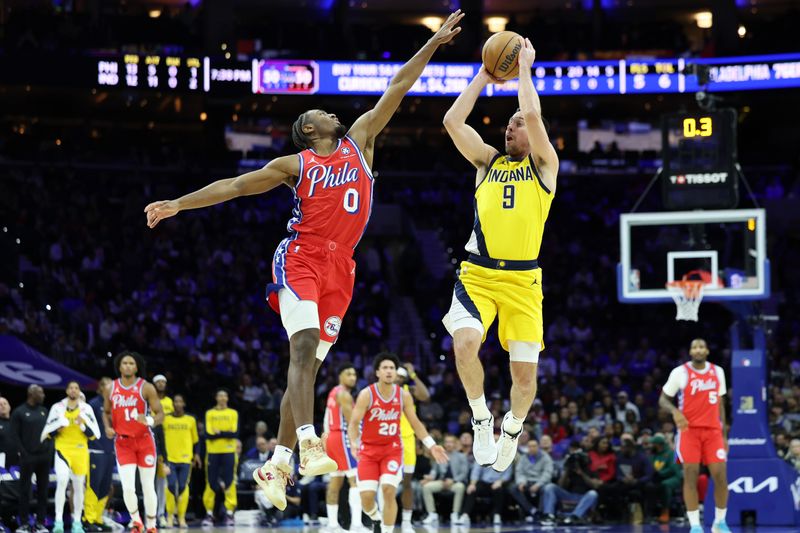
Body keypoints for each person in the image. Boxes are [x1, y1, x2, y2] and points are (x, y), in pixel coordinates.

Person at [143, 9, 464, 512]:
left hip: (343, 267)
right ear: (308, 130)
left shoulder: (360, 142)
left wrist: (434, 43)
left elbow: (398, 86)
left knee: (308, 369)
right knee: (304, 349)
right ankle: (311, 442)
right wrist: (179, 203)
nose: (329, 112)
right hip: (301, 257)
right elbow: (233, 186)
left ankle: (277, 463)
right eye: (319, 112)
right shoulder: (296, 164)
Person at [441, 37, 558, 472]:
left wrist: (524, 68)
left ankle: (512, 427)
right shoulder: (487, 163)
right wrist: (484, 76)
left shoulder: (545, 166)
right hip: (477, 276)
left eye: (517, 124)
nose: (511, 127)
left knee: (524, 380)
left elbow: (531, 112)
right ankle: (481, 417)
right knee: (464, 344)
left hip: (524, 283)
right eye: (507, 124)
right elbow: (453, 121)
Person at [348, 353, 448, 533]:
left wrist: (432, 445)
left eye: (392, 368)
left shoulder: (403, 395)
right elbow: (354, 423)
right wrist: (353, 443)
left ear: (395, 373)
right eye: (385, 368)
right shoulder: (366, 394)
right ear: (377, 372)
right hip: (368, 451)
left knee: (388, 489)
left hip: (392, 450)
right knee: (367, 499)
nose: (389, 371)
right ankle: (376, 518)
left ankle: (387, 530)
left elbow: (416, 423)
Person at [659, 338, 731, 533]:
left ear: (707, 351)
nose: (698, 350)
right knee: (690, 476)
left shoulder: (718, 372)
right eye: (694, 347)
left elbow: (720, 404)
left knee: (721, 476)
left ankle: (720, 522)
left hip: (713, 431)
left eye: (701, 347)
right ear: (690, 352)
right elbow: (663, 399)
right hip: (689, 431)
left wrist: (724, 435)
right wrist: (675, 412)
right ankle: (696, 526)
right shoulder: (680, 372)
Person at [103, 351, 164, 533]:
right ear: (119, 367)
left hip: (145, 441)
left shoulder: (146, 387)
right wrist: (107, 426)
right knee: (128, 488)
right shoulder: (110, 388)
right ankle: (137, 521)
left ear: (136, 367)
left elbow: (160, 413)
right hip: (123, 442)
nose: (128, 366)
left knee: (148, 486)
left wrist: (149, 420)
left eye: (131, 363)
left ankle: (152, 525)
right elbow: (106, 412)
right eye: (125, 363)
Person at [41, 381, 101, 533]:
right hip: (63, 450)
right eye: (71, 388)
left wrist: (82, 425)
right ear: (67, 391)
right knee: (61, 481)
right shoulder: (57, 408)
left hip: (80, 452)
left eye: (76, 388)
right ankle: (59, 521)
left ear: (79, 391)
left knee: (79, 487)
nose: (74, 390)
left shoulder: (86, 409)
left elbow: (94, 435)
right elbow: (48, 432)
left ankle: (77, 522)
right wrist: (58, 428)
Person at [321, 362, 366, 533]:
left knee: (335, 482)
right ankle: (356, 525)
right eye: (349, 374)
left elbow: (327, 418)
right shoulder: (344, 395)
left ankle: (332, 525)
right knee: (355, 480)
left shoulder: (332, 393)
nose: (353, 378)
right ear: (340, 376)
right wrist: (360, 443)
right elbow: (352, 422)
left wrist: (325, 439)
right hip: (343, 437)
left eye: (354, 374)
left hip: (333, 437)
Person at [11, 385, 52, 533]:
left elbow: (50, 432)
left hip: (44, 458)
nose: (43, 395)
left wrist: (48, 450)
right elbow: (15, 436)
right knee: (24, 491)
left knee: (43, 491)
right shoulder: (19, 412)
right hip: (27, 458)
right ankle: (23, 523)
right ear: (31, 394)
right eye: (40, 392)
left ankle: (40, 523)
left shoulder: (44, 411)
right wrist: (24, 453)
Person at [395, 363, 430, 530]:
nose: (398, 379)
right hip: (388, 439)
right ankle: (379, 519)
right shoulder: (378, 391)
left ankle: (407, 522)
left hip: (407, 440)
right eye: (397, 375)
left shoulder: (409, 391)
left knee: (407, 482)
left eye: (402, 377)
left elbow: (426, 396)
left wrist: (413, 375)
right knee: (386, 483)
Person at [202, 389, 239, 527]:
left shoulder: (233, 413)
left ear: (228, 398)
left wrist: (219, 433)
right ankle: (209, 513)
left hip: (229, 452)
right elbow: (208, 434)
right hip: (213, 452)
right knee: (210, 482)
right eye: (220, 395)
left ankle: (230, 513)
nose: (222, 398)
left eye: (225, 395)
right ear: (216, 398)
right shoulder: (210, 413)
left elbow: (234, 433)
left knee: (230, 481)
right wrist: (226, 433)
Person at [162, 394, 200, 529]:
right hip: (169, 459)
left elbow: (196, 440)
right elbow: (160, 440)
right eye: (175, 401)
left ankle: (182, 517)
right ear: (172, 404)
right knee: (171, 487)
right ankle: (170, 517)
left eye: (180, 401)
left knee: (183, 487)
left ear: (184, 404)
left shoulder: (190, 420)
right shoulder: (166, 419)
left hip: (185, 459)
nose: (178, 404)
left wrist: (197, 455)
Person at [540, 446, 599, 525]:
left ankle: (574, 516)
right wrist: (567, 471)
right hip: (570, 495)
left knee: (593, 493)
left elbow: (595, 485)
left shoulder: (590, 470)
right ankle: (549, 515)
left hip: (584, 497)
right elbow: (560, 485)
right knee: (550, 487)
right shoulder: (569, 471)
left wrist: (581, 473)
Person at [85, 377, 115, 533]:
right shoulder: (93, 404)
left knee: (105, 486)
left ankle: (98, 518)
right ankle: (88, 519)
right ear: (101, 388)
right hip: (95, 451)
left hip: (110, 450)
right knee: (93, 486)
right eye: (107, 385)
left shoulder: (115, 405)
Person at [420, 434, 469, 526]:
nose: (448, 444)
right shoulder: (440, 455)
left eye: (451, 442)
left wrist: (453, 480)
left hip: (455, 482)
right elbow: (434, 470)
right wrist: (430, 477)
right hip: (442, 481)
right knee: (426, 487)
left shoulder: (461, 456)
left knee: (460, 487)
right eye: (447, 442)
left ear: (455, 444)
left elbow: (464, 473)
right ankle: (432, 514)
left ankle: (455, 514)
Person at [506, 437, 554, 523]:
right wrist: (521, 482)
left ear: (538, 446)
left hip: (540, 482)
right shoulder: (523, 458)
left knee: (546, 489)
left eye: (534, 446)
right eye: (530, 446)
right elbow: (519, 472)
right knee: (513, 488)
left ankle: (541, 512)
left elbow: (547, 473)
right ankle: (532, 510)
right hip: (527, 482)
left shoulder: (545, 457)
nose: (532, 448)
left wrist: (538, 484)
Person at [460, 461, 511, 526]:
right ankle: (465, 514)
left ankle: (496, 514)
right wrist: (472, 484)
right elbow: (476, 471)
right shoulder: (483, 455)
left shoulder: (506, 457)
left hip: (498, 482)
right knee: (472, 489)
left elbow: (508, 474)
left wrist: (500, 482)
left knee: (500, 490)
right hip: (484, 482)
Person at [646, 434, 682, 524]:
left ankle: (665, 512)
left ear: (659, 445)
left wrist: (660, 474)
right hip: (659, 478)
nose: (651, 446)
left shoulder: (673, 453)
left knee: (665, 485)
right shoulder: (652, 455)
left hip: (674, 477)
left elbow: (674, 468)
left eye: (653, 444)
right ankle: (648, 513)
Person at [152, 375, 173, 528]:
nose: (161, 384)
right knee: (147, 484)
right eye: (158, 382)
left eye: (163, 382)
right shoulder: (149, 401)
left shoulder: (169, 402)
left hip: (164, 444)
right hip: (150, 443)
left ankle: (161, 514)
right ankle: (149, 514)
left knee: (162, 484)